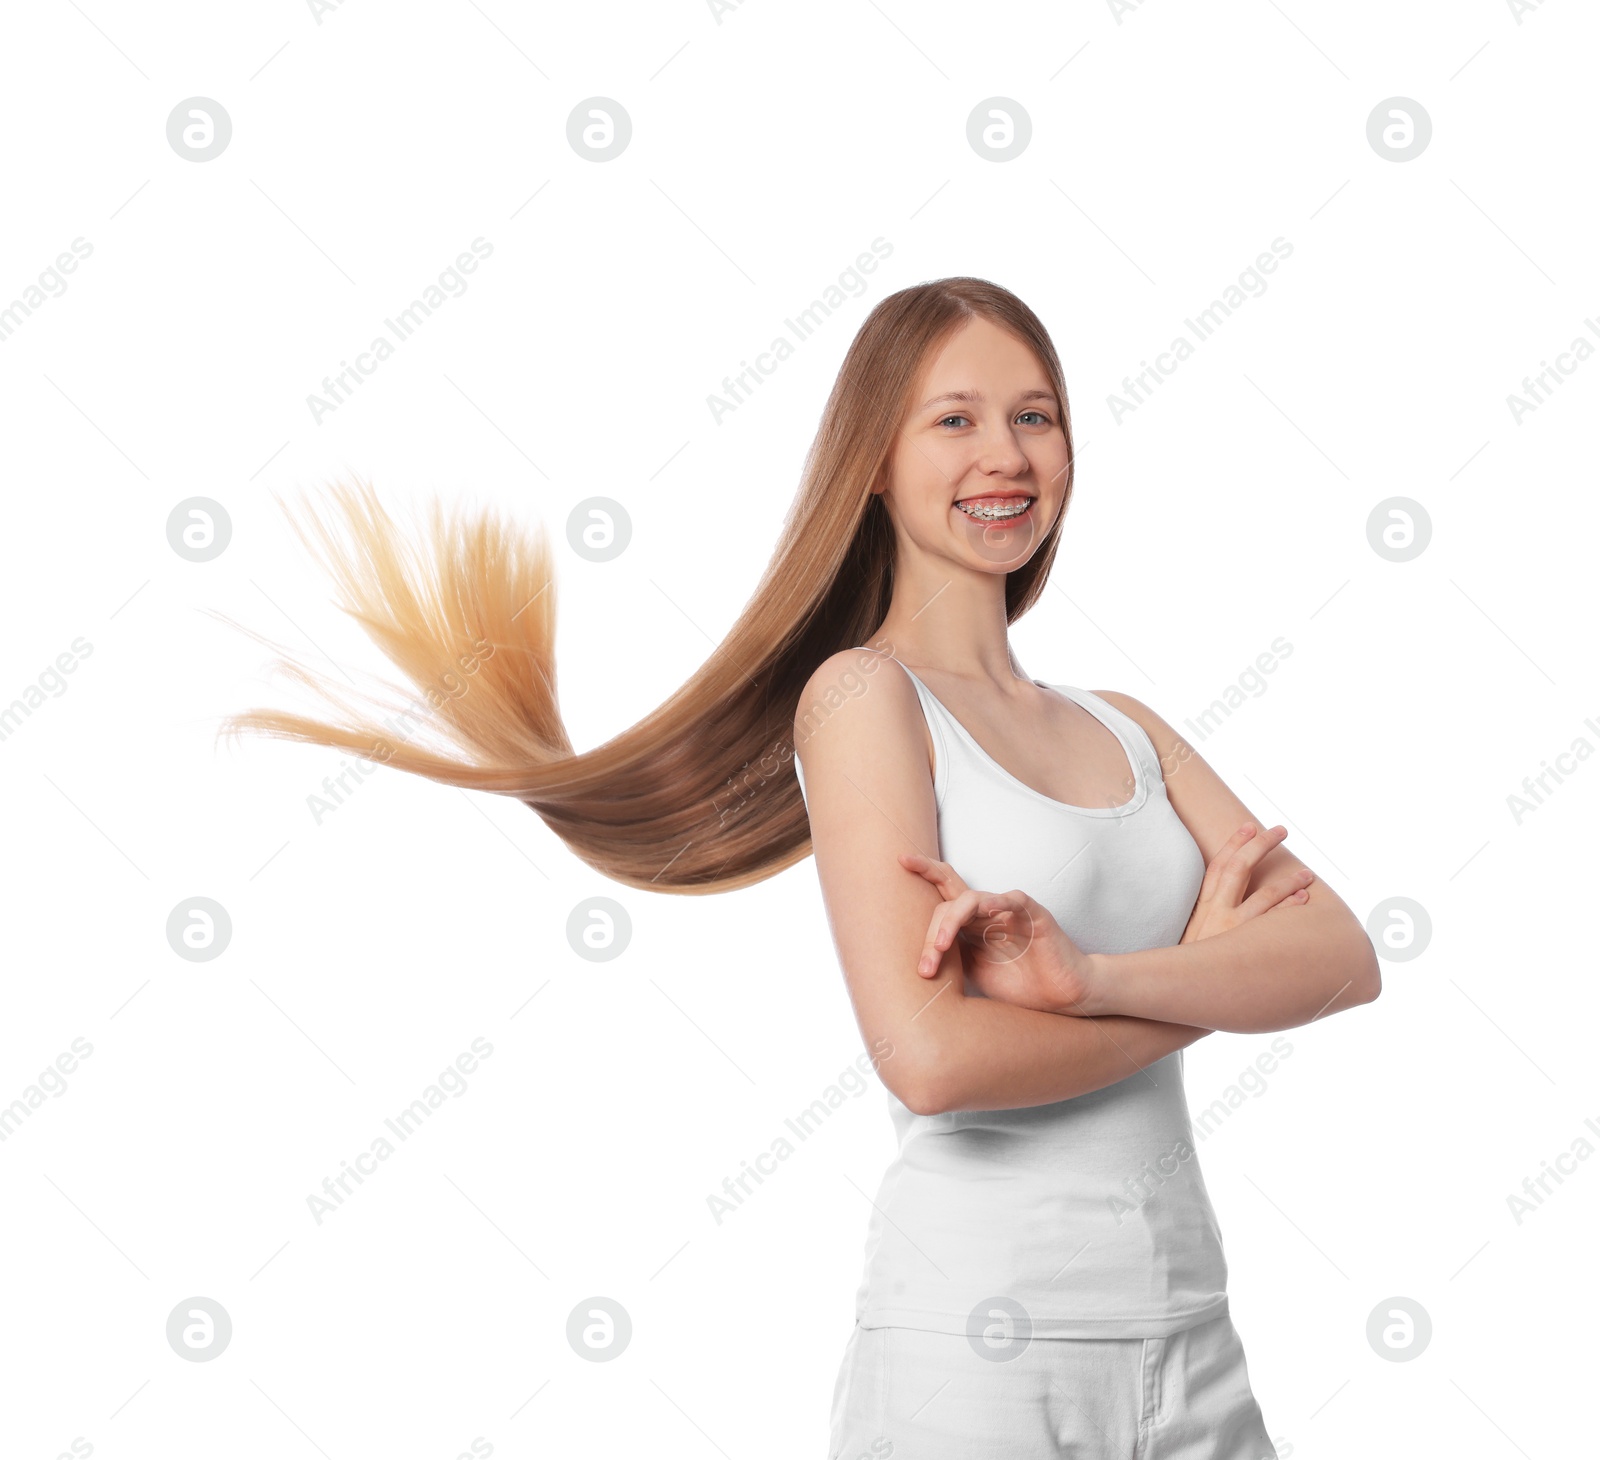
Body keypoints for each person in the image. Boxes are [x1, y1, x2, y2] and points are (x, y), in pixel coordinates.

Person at [218, 277, 1380, 1457]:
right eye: (954, 419)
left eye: (1036, 416)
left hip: (1191, 1336)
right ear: (872, 459)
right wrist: (1209, 981)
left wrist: (1092, 980)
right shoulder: (864, 698)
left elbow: (1343, 957)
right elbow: (929, 1058)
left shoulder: (1129, 724)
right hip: (978, 1358)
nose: (1006, 454)